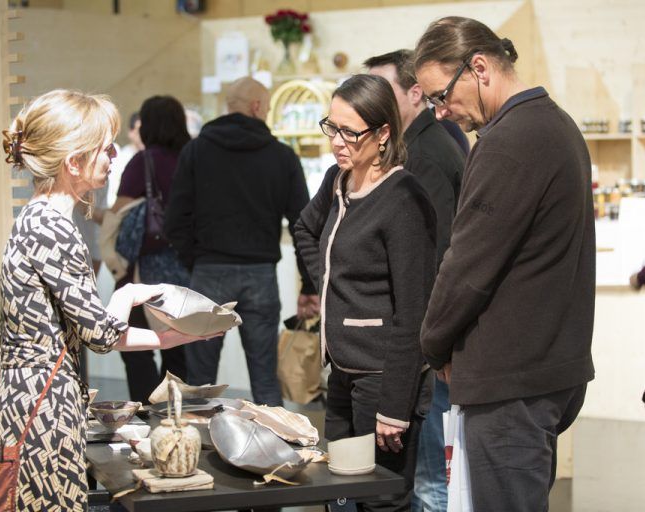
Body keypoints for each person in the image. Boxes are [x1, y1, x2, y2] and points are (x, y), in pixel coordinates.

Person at [0, 89, 217, 510]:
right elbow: (99, 333)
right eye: (105, 147)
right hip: (44, 406)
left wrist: (132, 297)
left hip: (28, 397)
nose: (114, 155)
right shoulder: (52, 228)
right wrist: (166, 336)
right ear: (73, 162)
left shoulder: (38, 218)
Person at [413, 17, 595, 511]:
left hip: (511, 380)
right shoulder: (552, 122)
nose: (442, 113)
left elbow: (468, 265)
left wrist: (433, 342)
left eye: (441, 95)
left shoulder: (510, 140)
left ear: (479, 67)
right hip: (542, 370)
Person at [294, 74, 437, 511]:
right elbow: (304, 227)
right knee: (336, 491)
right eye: (331, 127)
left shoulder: (404, 198)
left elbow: (414, 311)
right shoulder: (338, 182)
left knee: (381, 500)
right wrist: (330, 283)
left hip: (382, 377)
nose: (337, 141)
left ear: (382, 134)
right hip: (341, 370)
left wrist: (394, 407)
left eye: (349, 132)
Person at [165, 76, 317, 407]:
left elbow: (174, 219)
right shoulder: (281, 156)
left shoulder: (196, 151)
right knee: (264, 376)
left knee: (200, 378)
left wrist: (197, 260)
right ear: (258, 107)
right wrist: (310, 283)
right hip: (260, 273)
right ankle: (274, 448)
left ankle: (195, 451)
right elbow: (303, 224)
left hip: (208, 273)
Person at [365, 50, 465, 512]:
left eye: (382, 91)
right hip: (430, 334)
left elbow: (437, 254)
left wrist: (426, 340)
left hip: (431, 337)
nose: (373, 101)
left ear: (414, 93)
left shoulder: (425, 154)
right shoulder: (422, 144)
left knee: (431, 479)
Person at [110, 95, 191, 403]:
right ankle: (174, 414)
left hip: (143, 271)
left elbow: (120, 212)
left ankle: (145, 414)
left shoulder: (142, 162)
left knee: (136, 349)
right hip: (184, 267)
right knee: (179, 347)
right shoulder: (191, 158)